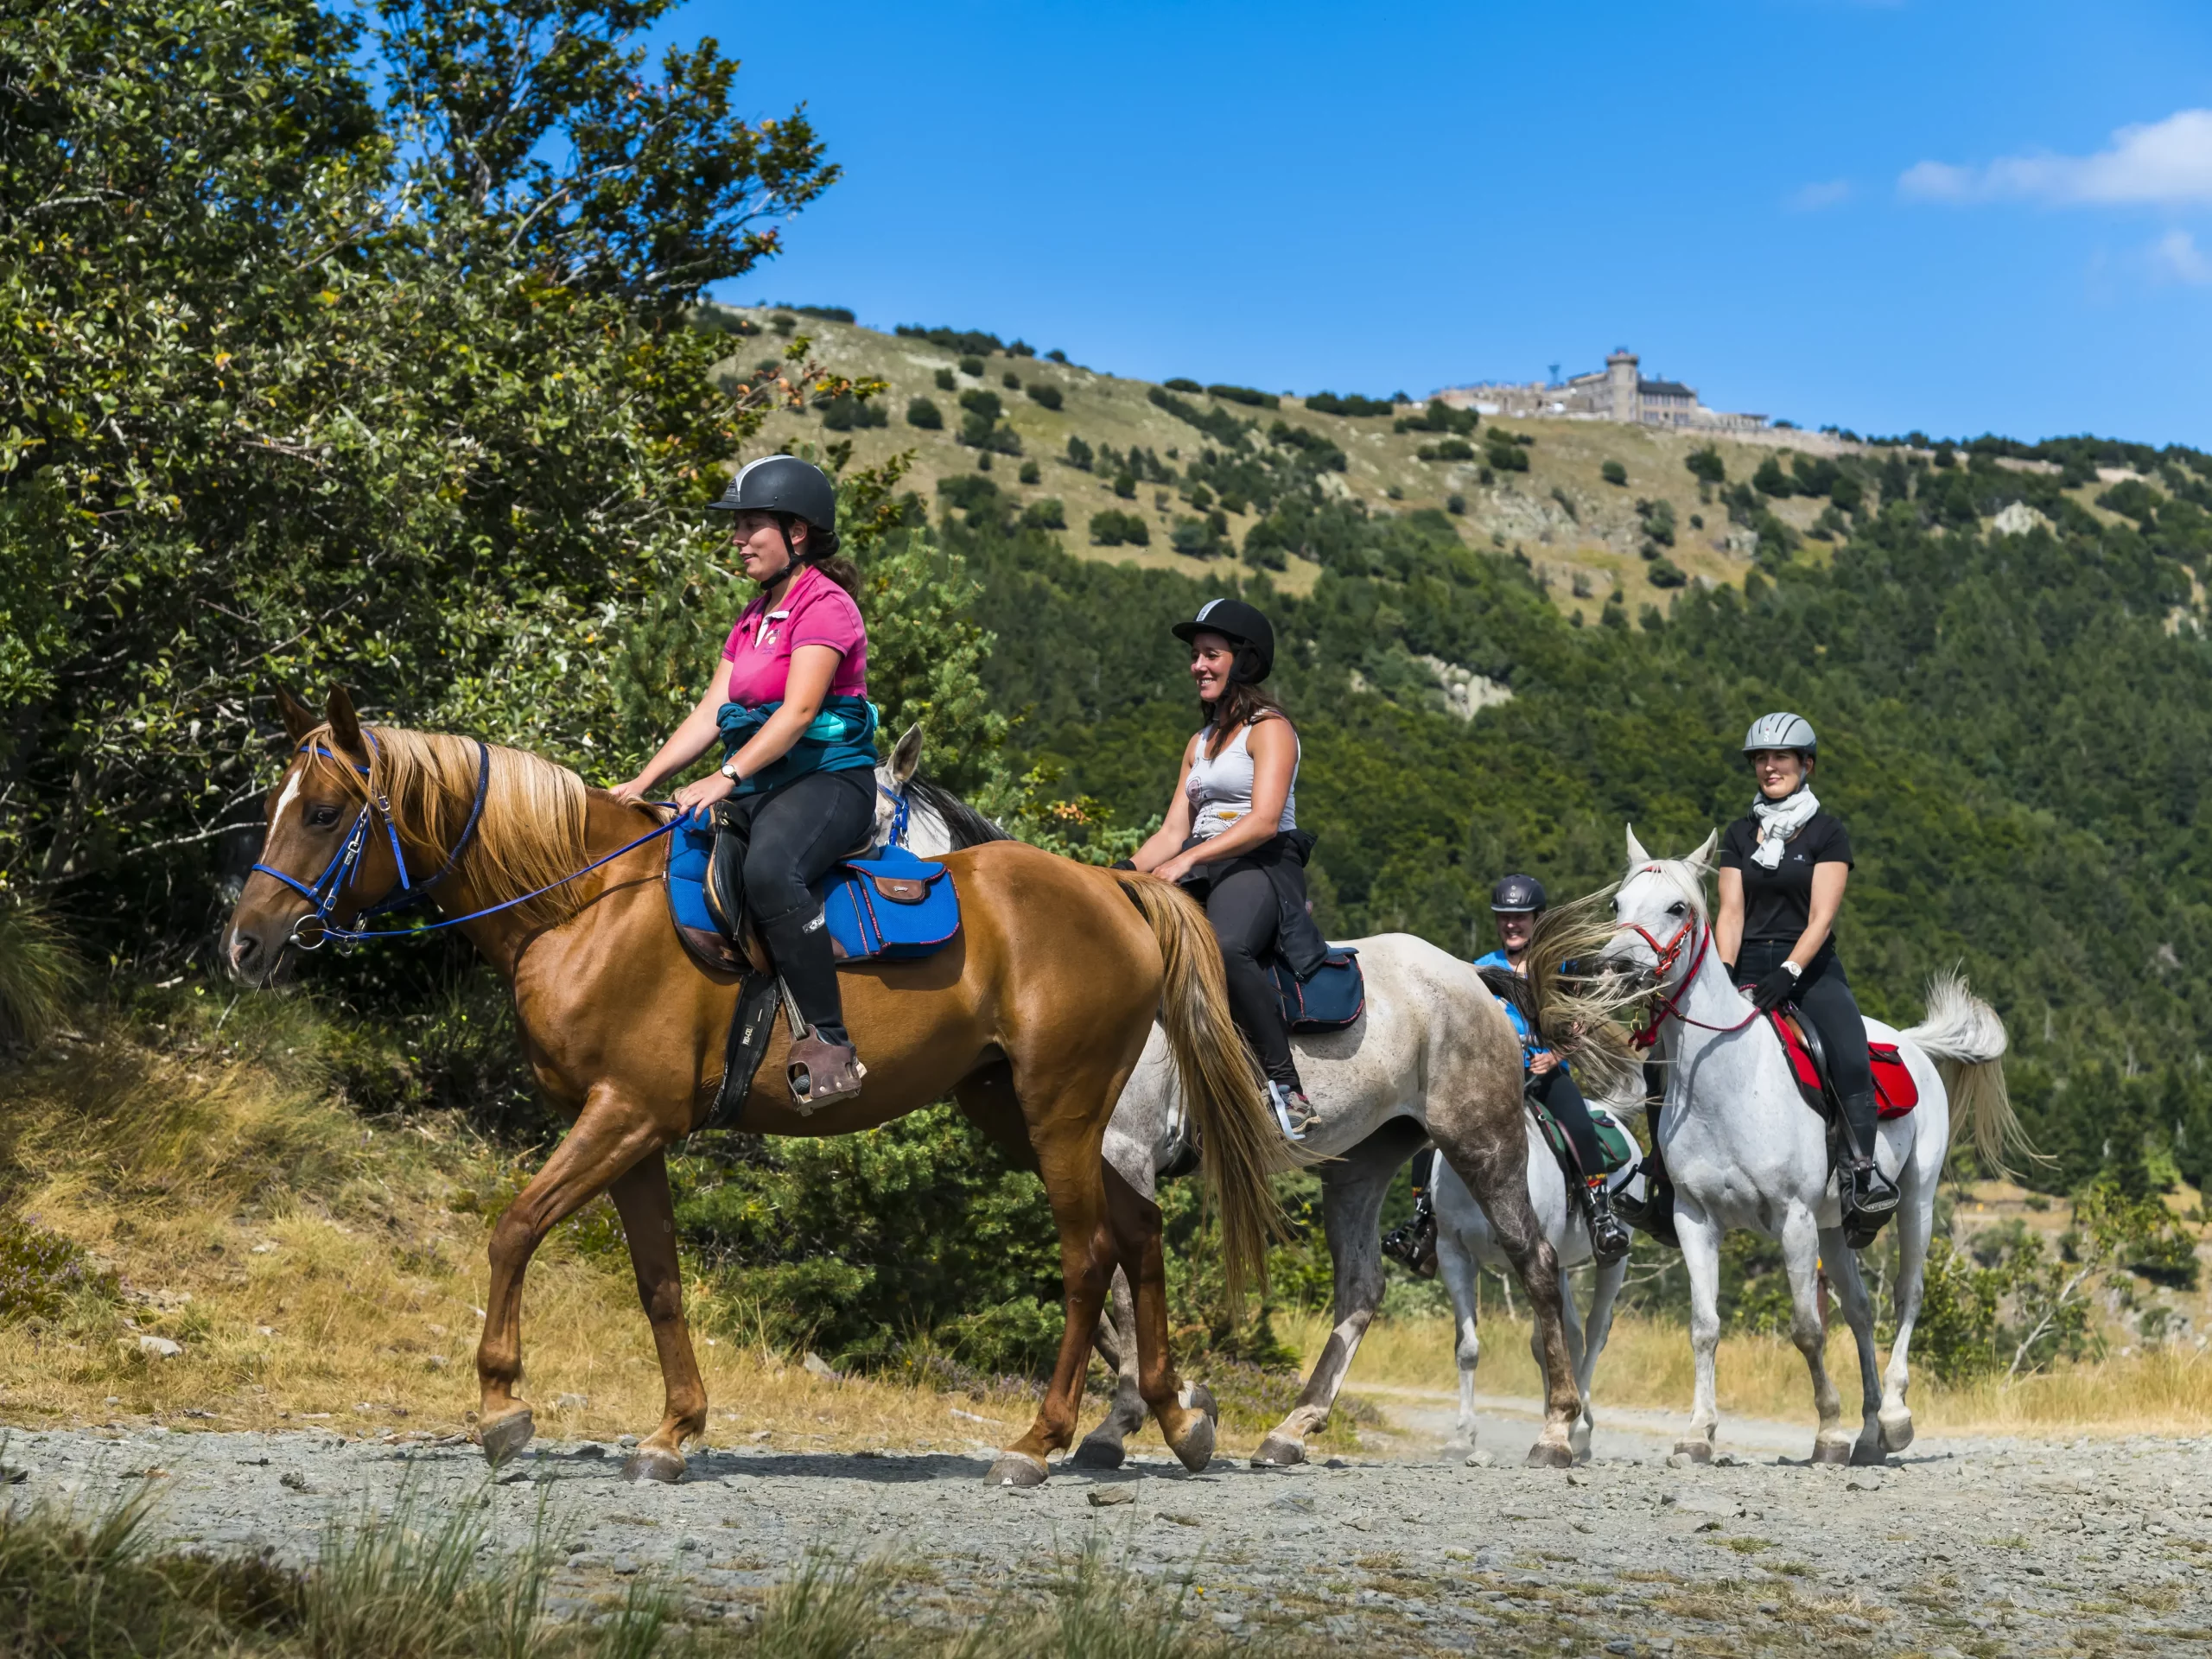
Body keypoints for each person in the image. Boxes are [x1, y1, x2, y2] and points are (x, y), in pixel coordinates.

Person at [612, 455, 877, 1107]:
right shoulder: (753, 616)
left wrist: (724, 777)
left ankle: (832, 1040)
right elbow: (709, 711)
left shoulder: (827, 606)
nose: (737, 539)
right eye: (736, 526)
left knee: (769, 872)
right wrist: (640, 783)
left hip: (828, 782)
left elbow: (800, 712)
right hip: (760, 782)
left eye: (750, 524)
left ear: (797, 532)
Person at [1128, 599, 1327, 1139]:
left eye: (1211, 655)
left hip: (1260, 863)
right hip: (1201, 862)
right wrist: (1117, 874)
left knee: (1224, 946)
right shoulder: (1200, 743)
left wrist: (1187, 857)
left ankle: (1286, 1088)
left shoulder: (1270, 730)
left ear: (1243, 661)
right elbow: (1171, 831)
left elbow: (1264, 821)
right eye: (1195, 656)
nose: (1198, 666)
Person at [1385, 874, 1631, 1273]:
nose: (1511, 924)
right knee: (1429, 1130)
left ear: (1537, 918)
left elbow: (1583, 1020)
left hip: (1545, 1075)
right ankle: (1422, 1223)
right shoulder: (1481, 969)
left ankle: (1599, 1216)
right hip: (1493, 1081)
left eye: (1520, 916)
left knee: (1579, 1124)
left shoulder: (1558, 965)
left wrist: (1555, 1055)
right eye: (1504, 917)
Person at [1714, 711, 1899, 1234]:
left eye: (1780, 758)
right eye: (1761, 760)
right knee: (1674, 1048)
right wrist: (1727, 974)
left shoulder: (1827, 833)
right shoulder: (1739, 833)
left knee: (1847, 1050)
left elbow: (1821, 917)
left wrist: (1791, 972)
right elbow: (1730, 912)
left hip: (1811, 968)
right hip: (1747, 960)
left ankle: (1862, 1175)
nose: (1769, 768)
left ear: (1806, 764)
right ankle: (1663, 1177)